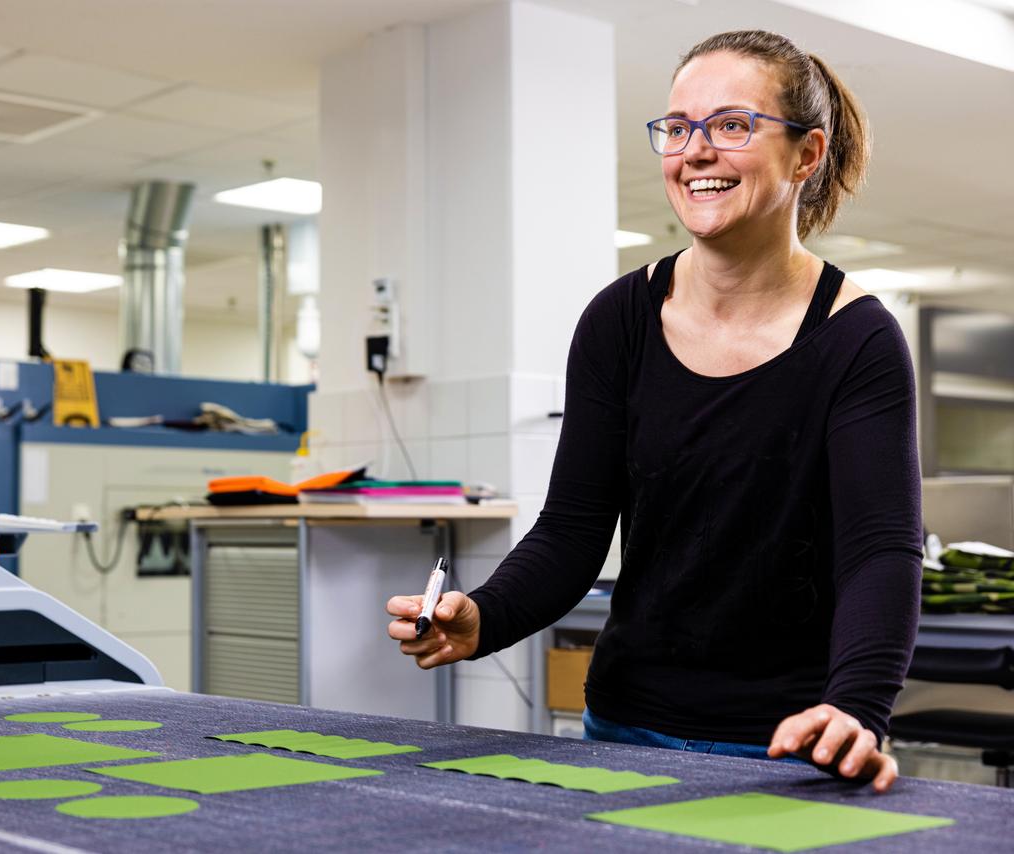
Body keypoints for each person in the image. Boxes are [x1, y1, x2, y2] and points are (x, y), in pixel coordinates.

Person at [387, 29, 920, 794]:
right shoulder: (619, 320)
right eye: (678, 128)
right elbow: (572, 531)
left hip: (787, 746)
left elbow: (880, 553)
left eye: (732, 125)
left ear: (807, 155)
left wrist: (858, 707)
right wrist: (483, 616)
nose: (695, 151)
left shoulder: (857, 338)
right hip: (623, 730)